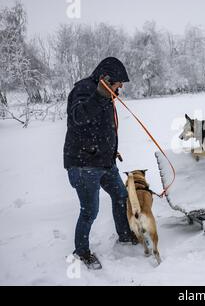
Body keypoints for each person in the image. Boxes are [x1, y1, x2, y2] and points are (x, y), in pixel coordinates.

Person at [64, 57, 136, 270]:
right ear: (106, 80)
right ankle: (81, 252)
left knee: (121, 195)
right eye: (118, 83)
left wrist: (110, 150)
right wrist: (100, 96)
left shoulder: (105, 94)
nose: (121, 87)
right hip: (83, 164)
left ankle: (124, 235)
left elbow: (100, 128)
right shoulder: (84, 90)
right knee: (89, 210)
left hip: (104, 161)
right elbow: (78, 117)